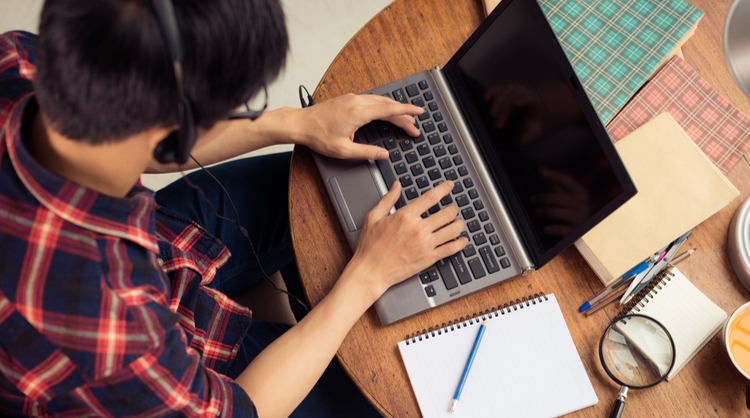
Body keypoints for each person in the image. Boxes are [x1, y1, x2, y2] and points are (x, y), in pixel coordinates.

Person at [0, 0, 467, 417]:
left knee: (320, 172)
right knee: (396, 394)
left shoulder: (16, 59)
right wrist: (367, 277)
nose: (242, 116)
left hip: (160, 246)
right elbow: (241, 412)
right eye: (236, 110)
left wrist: (296, 122)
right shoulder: (112, 330)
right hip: (174, 372)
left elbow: (131, 131)